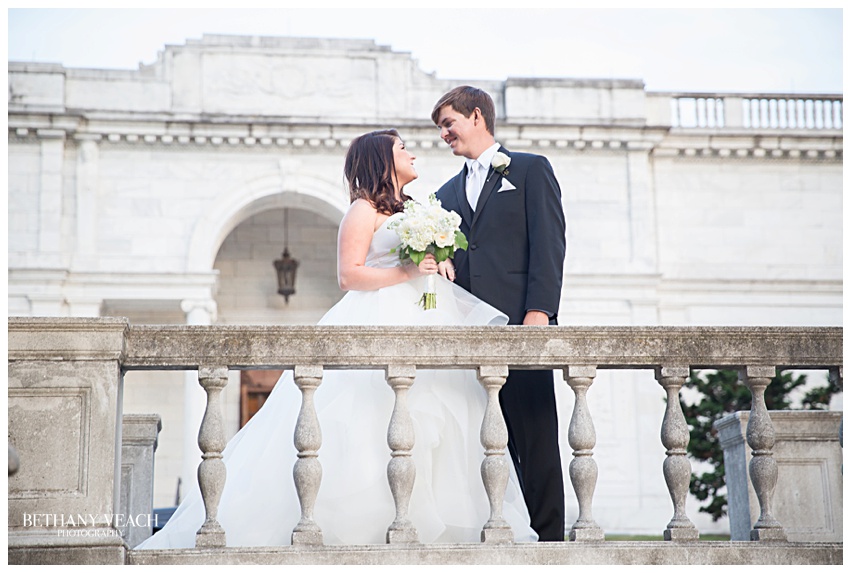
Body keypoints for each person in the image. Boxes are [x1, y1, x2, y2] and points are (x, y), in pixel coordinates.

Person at [136, 129, 537, 549]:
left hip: (426, 315)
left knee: (440, 416)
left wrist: (441, 260)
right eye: (403, 148)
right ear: (382, 159)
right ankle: (369, 524)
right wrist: (407, 273)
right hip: (380, 317)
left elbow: (426, 259)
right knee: (372, 418)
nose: (413, 153)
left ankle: (439, 524)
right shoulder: (362, 211)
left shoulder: (419, 208)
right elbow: (349, 276)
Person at [432, 87, 567, 542]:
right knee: (484, 442)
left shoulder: (529, 170)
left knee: (536, 439)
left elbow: (549, 244)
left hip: (520, 327)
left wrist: (539, 313)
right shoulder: (443, 194)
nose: (445, 134)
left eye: (449, 123)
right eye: (440, 128)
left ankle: (548, 544)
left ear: (476, 116)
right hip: (469, 337)